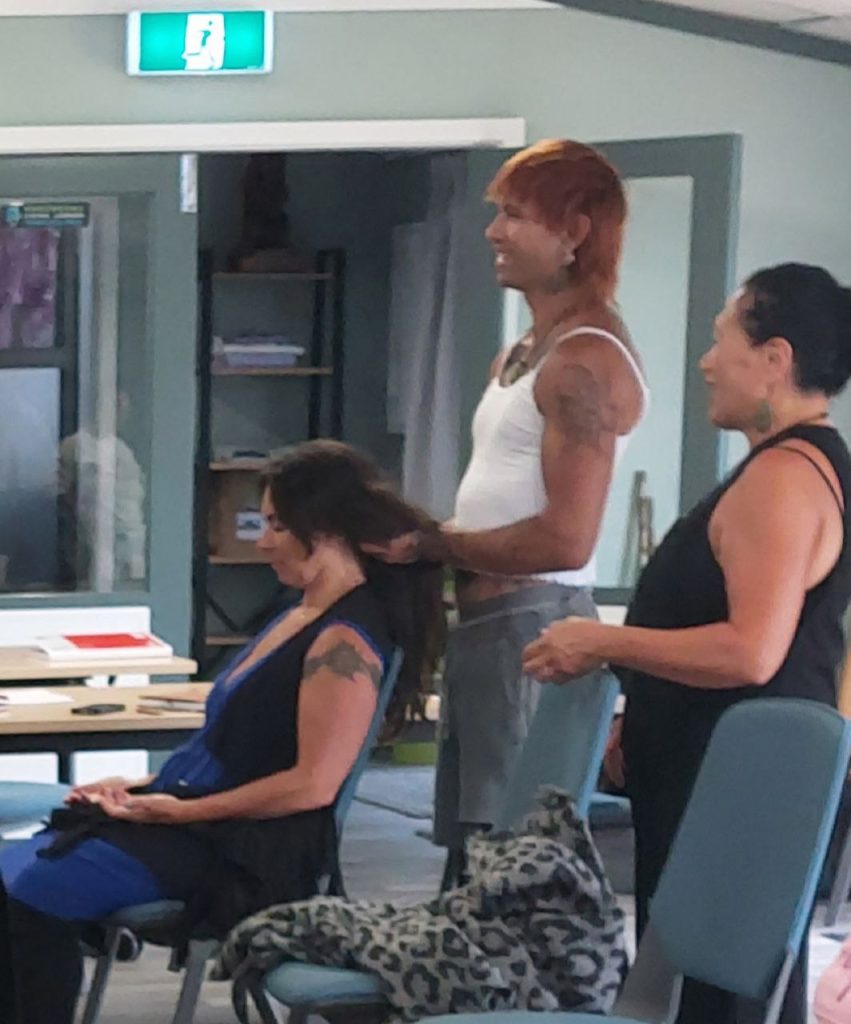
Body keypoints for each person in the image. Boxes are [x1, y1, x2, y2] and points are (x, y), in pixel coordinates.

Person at [0, 439, 444, 1024]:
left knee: (33, 890)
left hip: (246, 847)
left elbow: (313, 785)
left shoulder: (344, 641)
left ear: (327, 530)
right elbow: (230, 751)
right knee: (12, 874)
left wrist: (179, 811)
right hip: (199, 821)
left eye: (277, 526)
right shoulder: (296, 614)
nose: (263, 542)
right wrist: (138, 787)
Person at [522, 263, 851, 1024]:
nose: (705, 362)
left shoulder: (784, 479)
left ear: (774, 358)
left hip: (741, 786)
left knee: (719, 1000)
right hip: (719, 775)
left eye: (720, 340)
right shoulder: (789, 467)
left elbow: (750, 652)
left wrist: (604, 643)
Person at [373, 139, 648, 866]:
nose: (494, 232)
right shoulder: (524, 351)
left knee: (515, 860)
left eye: (516, 216)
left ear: (573, 233)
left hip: (532, 628)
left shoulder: (584, 360)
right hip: (487, 630)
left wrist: (436, 544)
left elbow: (566, 541)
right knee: (472, 852)